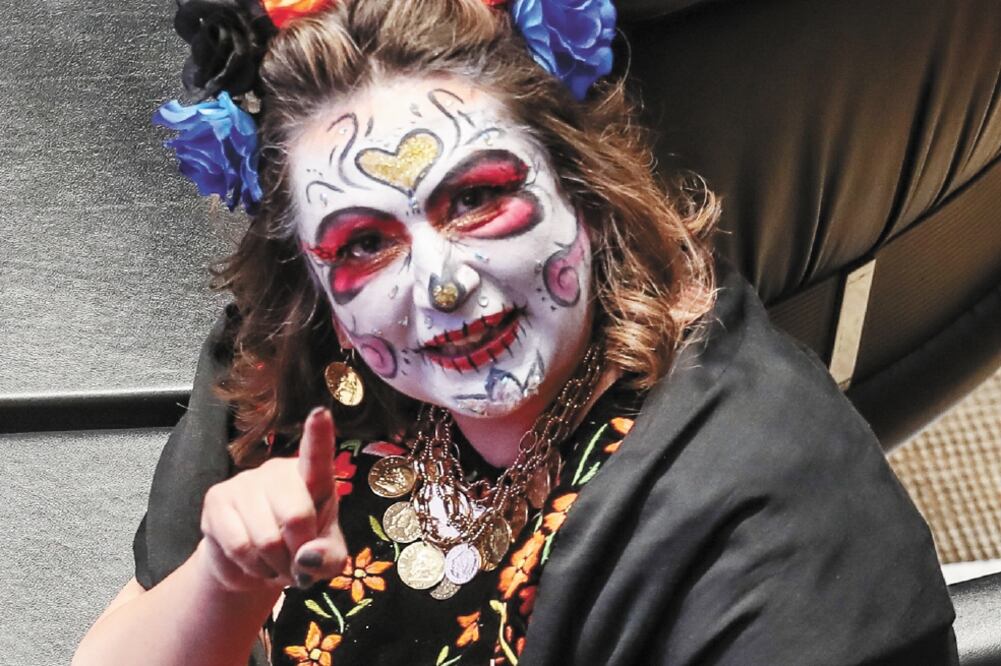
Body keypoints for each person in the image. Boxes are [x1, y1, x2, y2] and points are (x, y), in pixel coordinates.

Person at [74, 1, 959, 664]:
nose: (443, 285)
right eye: (365, 243)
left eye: (477, 199)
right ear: (311, 279)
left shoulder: (768, 530)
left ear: (585, 187)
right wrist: (228, 582)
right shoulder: (302, 357)